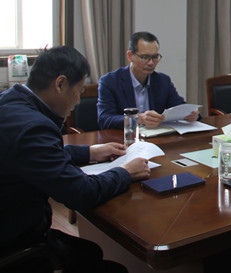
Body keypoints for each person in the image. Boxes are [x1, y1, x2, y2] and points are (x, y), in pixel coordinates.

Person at [0, 46, 150, 273]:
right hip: (16, 240)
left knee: (90, 251)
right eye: (79, 92)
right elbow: (81, 193)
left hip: (12, 224)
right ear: (60, 84)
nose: (78, 101)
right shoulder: (33, 126)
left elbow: (34, 155)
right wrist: (125, 172)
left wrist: (89, 152)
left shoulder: (12, 101)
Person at [97, 31, 199, 130]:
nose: (151, 63)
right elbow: (104, 119)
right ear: (130, 56)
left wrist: (191, 114)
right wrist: (137, 119)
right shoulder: (110, 82)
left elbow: (179, 107)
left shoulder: (163, 81)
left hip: (156, 137)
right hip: (125, 138)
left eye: (155, 57)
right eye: (145, 57)